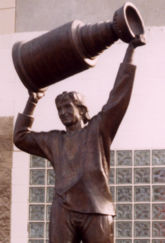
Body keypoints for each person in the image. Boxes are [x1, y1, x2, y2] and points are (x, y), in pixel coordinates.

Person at [14, 36, 145, 243]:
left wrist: (131, 50)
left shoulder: (98, 129)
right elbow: (20, 138)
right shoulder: (54, 140)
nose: (63, 112)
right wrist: (32, 100)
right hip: (63, 209)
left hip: (97, 208)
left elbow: (119, 95)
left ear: (82, 110)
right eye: (59, 109)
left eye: (68, 107)